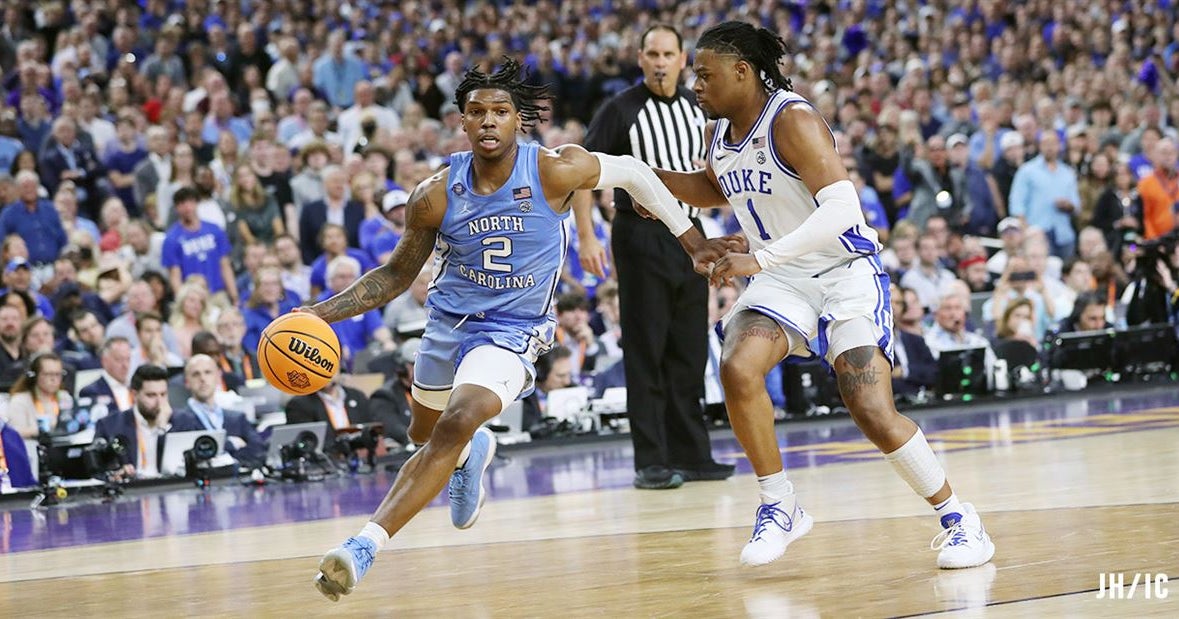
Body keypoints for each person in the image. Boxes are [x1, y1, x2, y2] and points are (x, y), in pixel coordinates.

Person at [306, 57, 728, 600]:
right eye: (476, 111)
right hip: (447, 324)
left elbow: (638, 174)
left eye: (499, 111)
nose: (488, 120)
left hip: (513, 327)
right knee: (424, 435)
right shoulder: (433, 194)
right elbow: (393, 276)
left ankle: (362, 546)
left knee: (455, 420)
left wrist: (692, 241)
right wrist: (316, 314)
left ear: (517, 120)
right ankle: (472, 450)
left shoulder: (555, 169)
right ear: (461, 121)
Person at [649, 22, 994, 570]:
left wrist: (758, 258)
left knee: (870, 405)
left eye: (705, 75)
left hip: (843, 272)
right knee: (739, 366)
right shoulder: (722, 133)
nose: (696, 85)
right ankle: (779, 504)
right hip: (784, 281)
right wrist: (652, 181)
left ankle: (958, 517)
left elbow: (842, 212)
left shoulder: (794, 119)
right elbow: (718, 186)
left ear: (743, 72)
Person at [574, 24, 734, 490]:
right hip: (640, 235)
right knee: (646, 349)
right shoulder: (619, 109)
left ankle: (693, 454)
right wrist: (587, 236)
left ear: (683, 59)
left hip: (692, 234)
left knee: (688, 348)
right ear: (640, 58)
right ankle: (652, 460)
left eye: (669, 53)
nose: (661, 62)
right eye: (652, 54)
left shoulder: (696, 107)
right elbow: (584, 171)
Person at [169, 354, 266, 464]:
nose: (202, 379)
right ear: (187, 382)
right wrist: (230, 444)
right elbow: (186, 456)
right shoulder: (180, 420)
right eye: (196, 374)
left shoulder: (238, 418)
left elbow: (258, 450)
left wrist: (230, 461)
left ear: (218, 377)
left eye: (208, 372)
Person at [94, 364, 173, 479]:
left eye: (163, 394)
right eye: (151, 395)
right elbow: (97, 471)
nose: (159, 402)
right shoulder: (110, 425)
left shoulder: (183, 422)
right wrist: (114, 475)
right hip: (131, 491)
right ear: (134, 395)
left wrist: (163, 429)